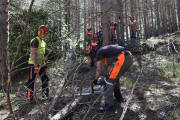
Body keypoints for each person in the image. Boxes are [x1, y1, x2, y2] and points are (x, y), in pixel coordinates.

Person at [92, 45, 133, 112]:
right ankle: (119, 98)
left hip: (123, 58)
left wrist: (95, 80)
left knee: (108, 81)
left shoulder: (99, 52)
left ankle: (109, 106)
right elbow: (112, 67)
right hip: (128, 56)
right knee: (113, 78)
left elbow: (98, 69)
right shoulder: (106, 51)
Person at [27, 25, 51, 104]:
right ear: (40, 32)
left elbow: (41, 55)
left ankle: (45, 96)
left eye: (46, 33)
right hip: (33, 65)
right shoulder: (35, 41)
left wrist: (43, 65)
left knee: (45, 79)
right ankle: (30, 99)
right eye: (45, 33)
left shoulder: (43, 42)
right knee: (31, 81)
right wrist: (35, 65)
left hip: (41, 65)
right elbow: (33, 54)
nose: (46, 35)